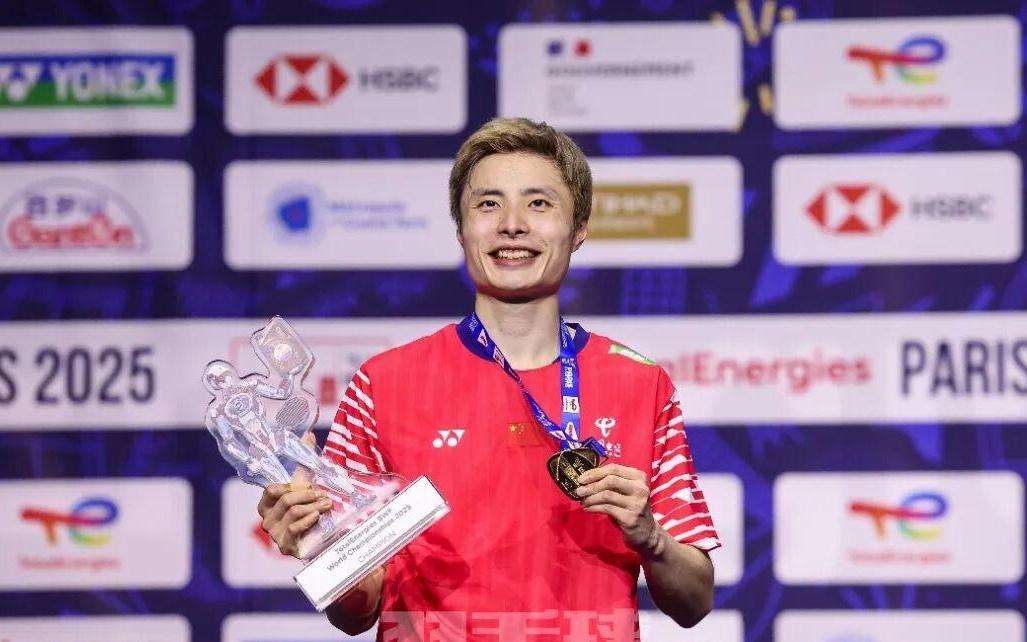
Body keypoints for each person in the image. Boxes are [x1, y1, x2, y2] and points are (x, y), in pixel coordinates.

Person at [257, 117, 719, 641]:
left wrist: (651, 538)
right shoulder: (381, 385)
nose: (512, 225)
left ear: (579, 229)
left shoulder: (640, 383)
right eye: (488, 204)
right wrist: (318, 542)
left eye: (539, 203)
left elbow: (695, 601)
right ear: (462, 230)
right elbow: (356, 614)